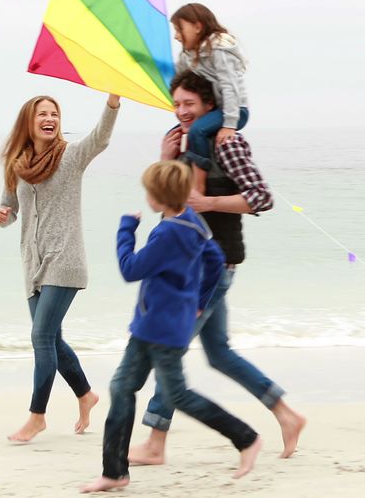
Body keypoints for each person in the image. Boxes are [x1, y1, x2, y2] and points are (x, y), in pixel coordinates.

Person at [128, 72, 306, 467]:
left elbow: (261, 197)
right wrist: (166, 158)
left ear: (210, 106)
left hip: (213, 265)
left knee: (167, 350)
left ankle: (155, 442)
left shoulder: (229, 142)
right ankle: (287, 415)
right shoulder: (186, 142)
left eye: (189, 104)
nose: (182, 111)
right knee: (219, 353)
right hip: (189, 266)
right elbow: (170, 202)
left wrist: (209, 203)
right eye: (176, 104)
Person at [81, 161, 262, 493]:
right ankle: (114, 471)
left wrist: (125, 229)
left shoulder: (168, 232)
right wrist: (198, 300)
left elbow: (130, 268)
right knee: (122, 388)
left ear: (157, 198)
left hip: (161, 330)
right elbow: (214, 260)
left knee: (177, 394)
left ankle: (246, 438)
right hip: (153, 325)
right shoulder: (194, 224)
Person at [0, 92, 120, 442]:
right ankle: (86, 395)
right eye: (42, 114)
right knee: (53, 338)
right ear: (28, 123)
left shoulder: (70, 157)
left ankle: (37, 416)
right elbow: (10, 211)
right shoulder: (16, 165)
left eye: (54, 114)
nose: (50, 118)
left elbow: (100, 138)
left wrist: (112, 103)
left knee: (41, 336)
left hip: (65, 259)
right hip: (33, 263)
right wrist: (2, 217)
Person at [170, 3, 250, 194]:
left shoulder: (219, 50)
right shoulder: (188, 54)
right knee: (173, 134)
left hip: (235, 111)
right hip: (213, 111)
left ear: (197, 27)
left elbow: (229, 86)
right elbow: (178, 79)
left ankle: (199, 184)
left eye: (179, 29)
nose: (176, 35)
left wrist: (229, 124)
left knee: (197, 131)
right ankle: (177, 178)